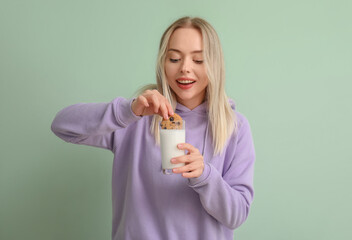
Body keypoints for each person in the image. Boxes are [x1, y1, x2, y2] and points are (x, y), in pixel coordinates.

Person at [51, 16, 256, 240]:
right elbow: (62, 126)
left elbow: (237, 216)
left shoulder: (235, 127)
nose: (185, 68)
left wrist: (206, 176)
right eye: (175, 58)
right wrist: (127, 112)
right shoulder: (134, 119)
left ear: (214, 64)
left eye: (198, 60)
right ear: (162, 62)